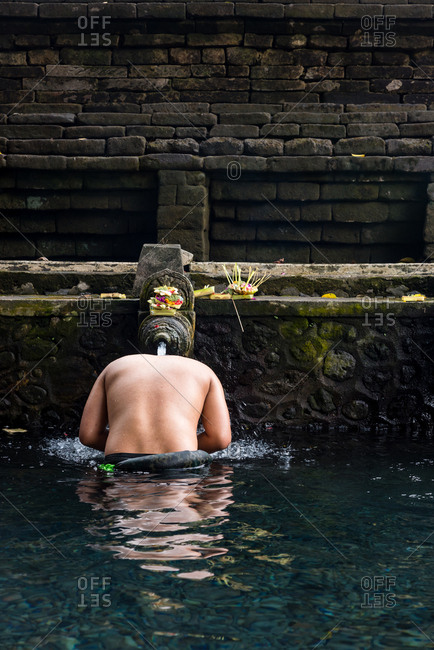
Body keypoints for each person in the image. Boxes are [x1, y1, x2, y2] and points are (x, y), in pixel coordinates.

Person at [79, 354, 231, 464]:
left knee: (119, 504)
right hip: (179, 461)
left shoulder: (114, 367)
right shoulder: (203, 371)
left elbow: (89, 435)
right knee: (193, 506)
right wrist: (184, 446)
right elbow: (219, 439)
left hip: (121, 462)